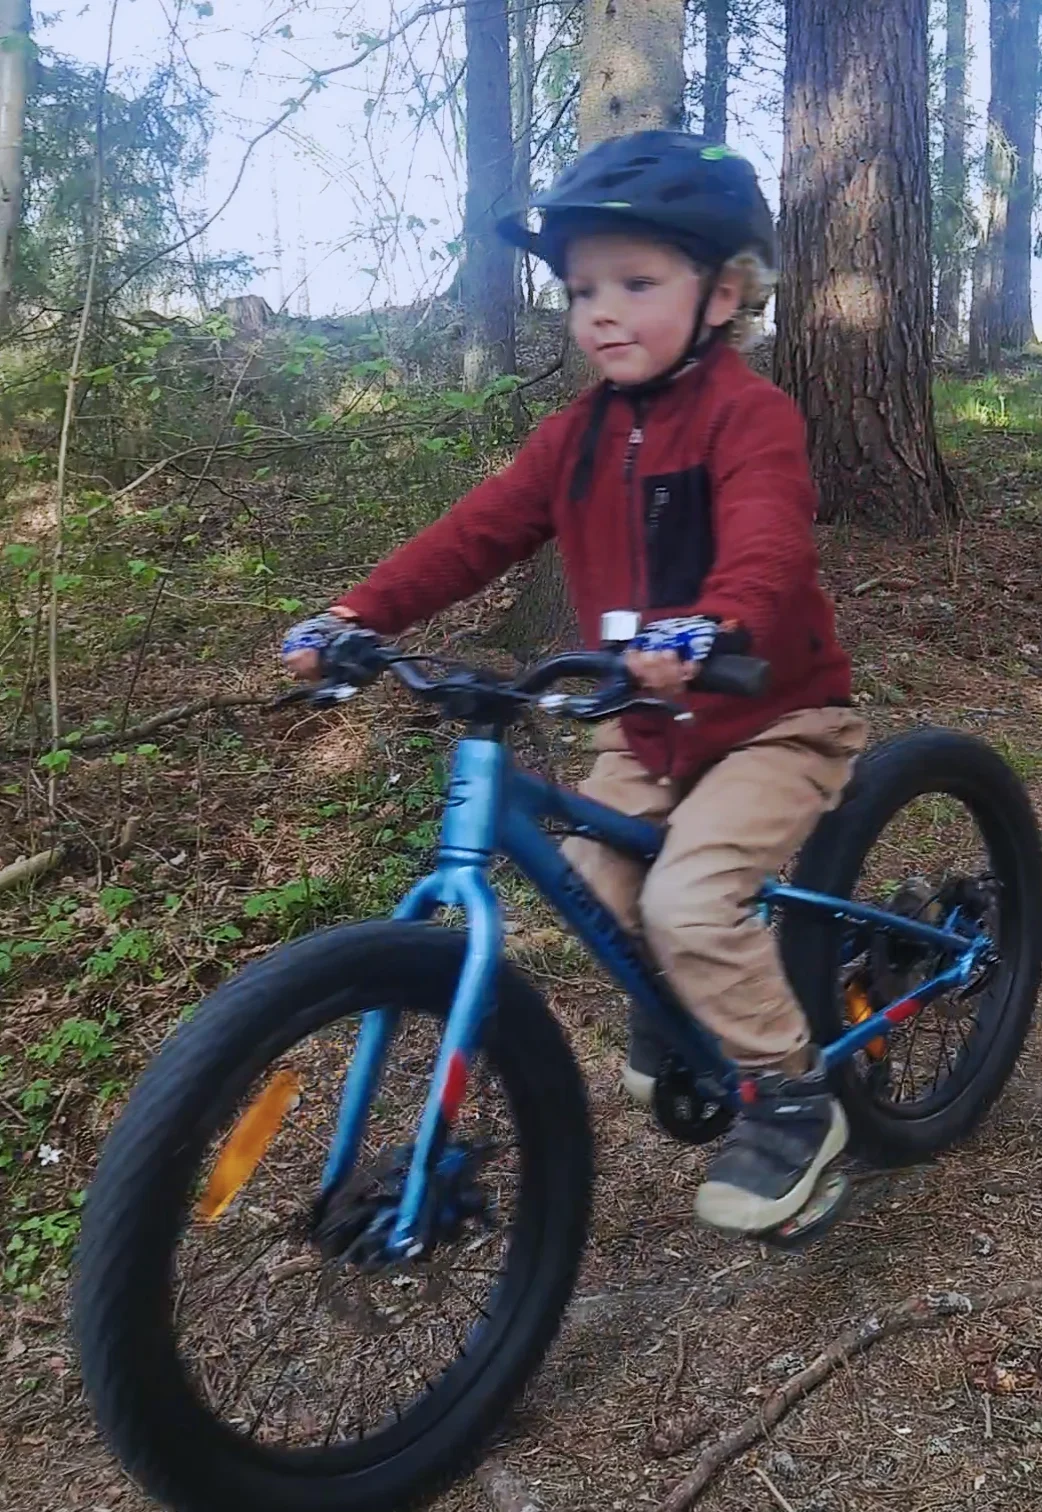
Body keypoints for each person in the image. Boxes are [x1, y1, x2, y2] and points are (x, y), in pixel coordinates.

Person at [282, 130, 866, 1238]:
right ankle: (686, 1007)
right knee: (596, 891)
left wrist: (710, 623)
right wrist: (359, 615)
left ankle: (792, 1095)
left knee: (688, 902)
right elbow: (472, 534)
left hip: (771, 720)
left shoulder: (751, 416)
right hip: (640, 724)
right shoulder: (574, 438)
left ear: (723, 294)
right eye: (583, 289)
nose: (601, 311)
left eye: (636, 284)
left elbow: (768, 544)